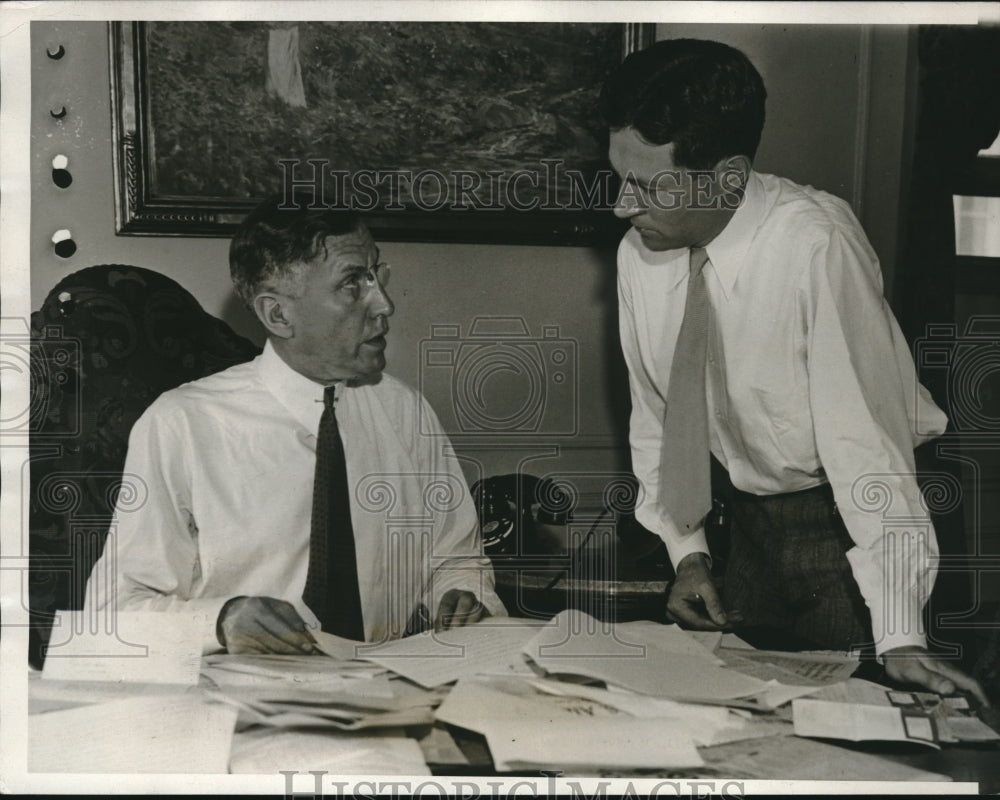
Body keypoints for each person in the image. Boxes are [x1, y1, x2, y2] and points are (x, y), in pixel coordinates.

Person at [600, 38, 987, 703]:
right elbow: (659, 418)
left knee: (858, 734)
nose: (621, 205)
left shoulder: (815, 246)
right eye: (618, 177)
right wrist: (687, 552)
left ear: (727, 177)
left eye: (646, 185)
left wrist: (900, 634)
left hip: (847, 528)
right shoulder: (641, 253)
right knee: (744, 723)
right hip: (748, 526)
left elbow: (866, 446)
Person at [86, 194, 504, 654]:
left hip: (385, 691)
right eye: (352, 284)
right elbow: (111, 615)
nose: (384, 304)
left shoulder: (405, 411)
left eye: (375, 275)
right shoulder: (182, 425)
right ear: (278, 315)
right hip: (243, 701)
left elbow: (457, 559)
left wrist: (464, 597)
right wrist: (219, 623)